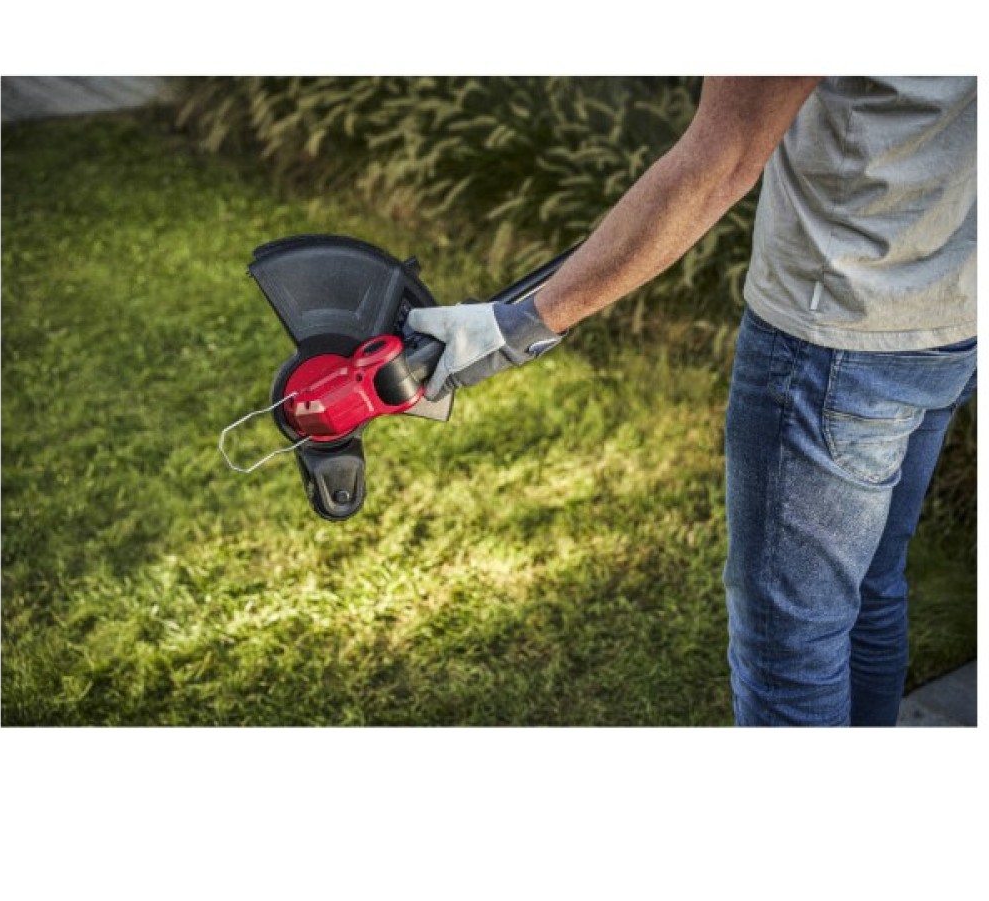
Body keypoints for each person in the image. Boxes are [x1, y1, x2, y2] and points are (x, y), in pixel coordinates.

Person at [405, 77, 977, 727]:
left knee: (789, 647)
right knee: (871, 588)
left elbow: (721, 161)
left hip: (833, 340)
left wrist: (525, 324)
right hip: (949, 316)